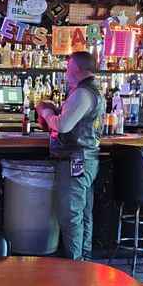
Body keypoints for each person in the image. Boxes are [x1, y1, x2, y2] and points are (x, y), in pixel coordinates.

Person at [35, 51, 104, 261]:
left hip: (76, 161)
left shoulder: (83, 93)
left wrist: (46, 112)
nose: (65, 72)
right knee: (82, 214)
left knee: (71, 215)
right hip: (85, 159)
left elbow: (63, 125)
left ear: (76, 69)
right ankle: (84, 262)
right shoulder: (89, 91)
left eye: (68, 67)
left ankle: (76, 265)